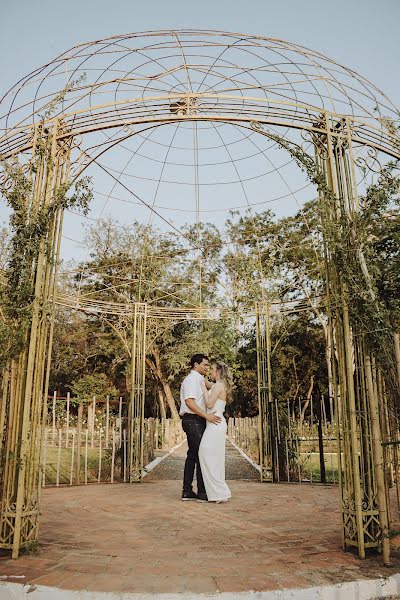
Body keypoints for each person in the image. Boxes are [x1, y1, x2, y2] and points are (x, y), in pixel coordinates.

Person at [180, 354, 221, 501]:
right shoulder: (192, 379)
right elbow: (189, 402)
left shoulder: (199, 379)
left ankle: (187, 491)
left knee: (193, 455)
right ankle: (202, 493)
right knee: (202, 455)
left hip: (194, 420)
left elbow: (214, 386)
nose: (206, 367)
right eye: (204, 365)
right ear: (196, 365)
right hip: (193, 420)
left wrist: (223, 380)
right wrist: (207, 416)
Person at [198, 361, 233, 503]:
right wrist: (200, 379)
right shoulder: (218, 385)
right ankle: (219, 493)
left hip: (215, 422)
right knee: (213, 457)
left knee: (205, 453)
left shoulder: (219, 385)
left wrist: (203, 389)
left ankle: (219, 492)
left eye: (212, 369)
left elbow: (209, 404)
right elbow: (207, 383)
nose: (210, 371)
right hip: (214, 423)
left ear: (218, 371)